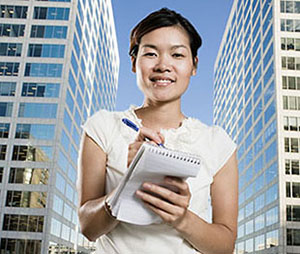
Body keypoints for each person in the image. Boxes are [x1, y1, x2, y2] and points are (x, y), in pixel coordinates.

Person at [77, 8, 238, 254]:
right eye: (151, 53)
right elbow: (88, 227)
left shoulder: (217, 142)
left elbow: (224, 246)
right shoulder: (102, 127)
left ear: (194, 65)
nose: (163, 65)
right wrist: (131, 182)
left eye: (177, 54)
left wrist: (181, 218)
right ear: (134, 63)